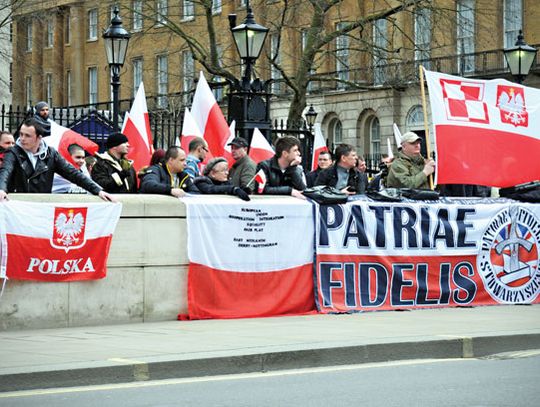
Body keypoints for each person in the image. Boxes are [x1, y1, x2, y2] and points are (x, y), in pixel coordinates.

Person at [0, 118, 113, 202]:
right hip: (19, 206)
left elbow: (72, 173)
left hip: (42, 207)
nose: (22, 139)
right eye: (21, 134)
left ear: (39, 137)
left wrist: (98, 190)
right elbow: (5, 171)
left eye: (27, 135)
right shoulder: (13, 152)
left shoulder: (51, 154)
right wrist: (1, 189)